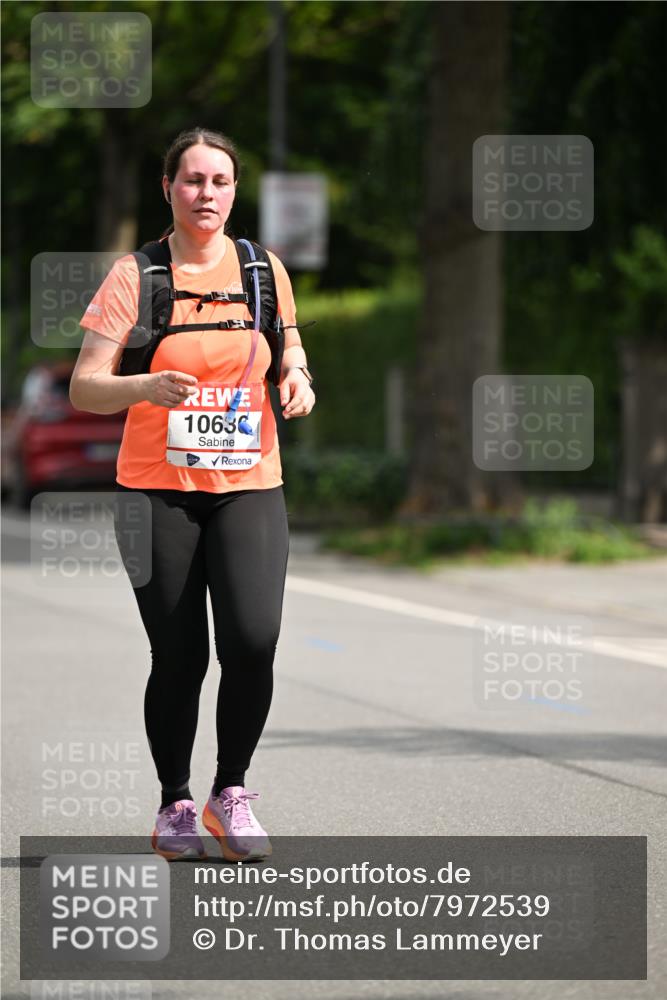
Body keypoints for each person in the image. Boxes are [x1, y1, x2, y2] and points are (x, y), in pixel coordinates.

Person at [69, 127, 315, 862]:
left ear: (234, 192)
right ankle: (175, 801)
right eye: (192, 181)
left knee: (254, 641)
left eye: (220, 182)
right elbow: (86, 386)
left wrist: (296, 376)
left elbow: (288, 342)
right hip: (157, 493)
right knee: (179, 657)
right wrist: (144, 385)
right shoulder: (136, 276)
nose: (206, 194)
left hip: (249, 482)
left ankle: (228, 794)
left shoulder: (262, 269)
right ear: (169, 189)